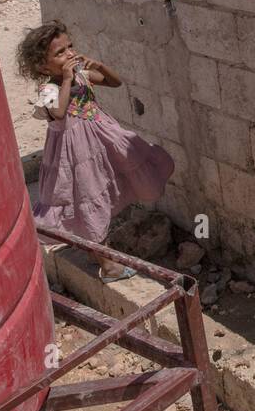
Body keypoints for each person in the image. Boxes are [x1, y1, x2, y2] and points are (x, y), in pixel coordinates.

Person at [18, 21, 174, 281]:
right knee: (84, 199)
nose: (69, 54)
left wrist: (97, 65)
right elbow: (57, 113)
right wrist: (66, 79)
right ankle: (107, 265)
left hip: (99, 140)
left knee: (106, 187)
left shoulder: (82, 75)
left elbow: (115, 82)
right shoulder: (47, 90)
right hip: (72, 153)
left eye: (70, 47)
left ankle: (98, 251)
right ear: (42, 67)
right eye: (60, 53)